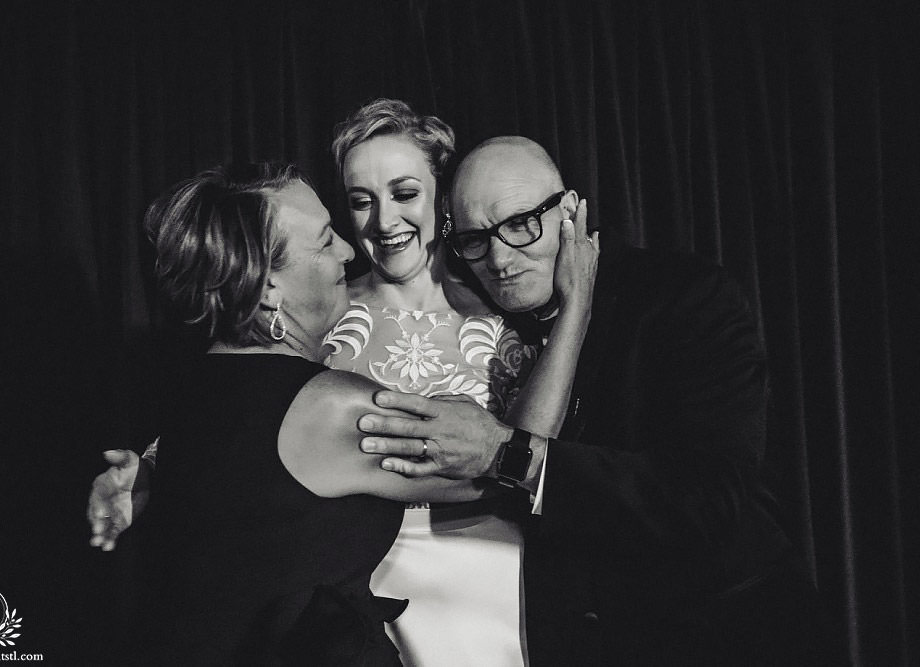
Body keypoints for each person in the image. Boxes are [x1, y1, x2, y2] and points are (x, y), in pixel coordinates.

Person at [89, 101, 599, 665]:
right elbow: (248, 435)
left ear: (445, 199)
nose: (380, 223)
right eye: (359, 202)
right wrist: (153, 470)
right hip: (360, 596)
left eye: (405, 194)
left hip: (497, 585)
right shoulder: (324, 312)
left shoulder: (510, 302)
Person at [356, 136, 823, 664]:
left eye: (519, 224)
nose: (500, 259)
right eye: (476, 239)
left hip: (731, 634)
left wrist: (506, 454)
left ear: (570, 212)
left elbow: (709, 497)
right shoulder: (484, 327)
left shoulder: (684, 296)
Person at [133, 161, 499, 665]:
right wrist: (575, 311)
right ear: (268, 290)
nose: (349, 251)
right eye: (326, 241)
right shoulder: (330, 409)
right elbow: (503, 465)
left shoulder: (190, 391)